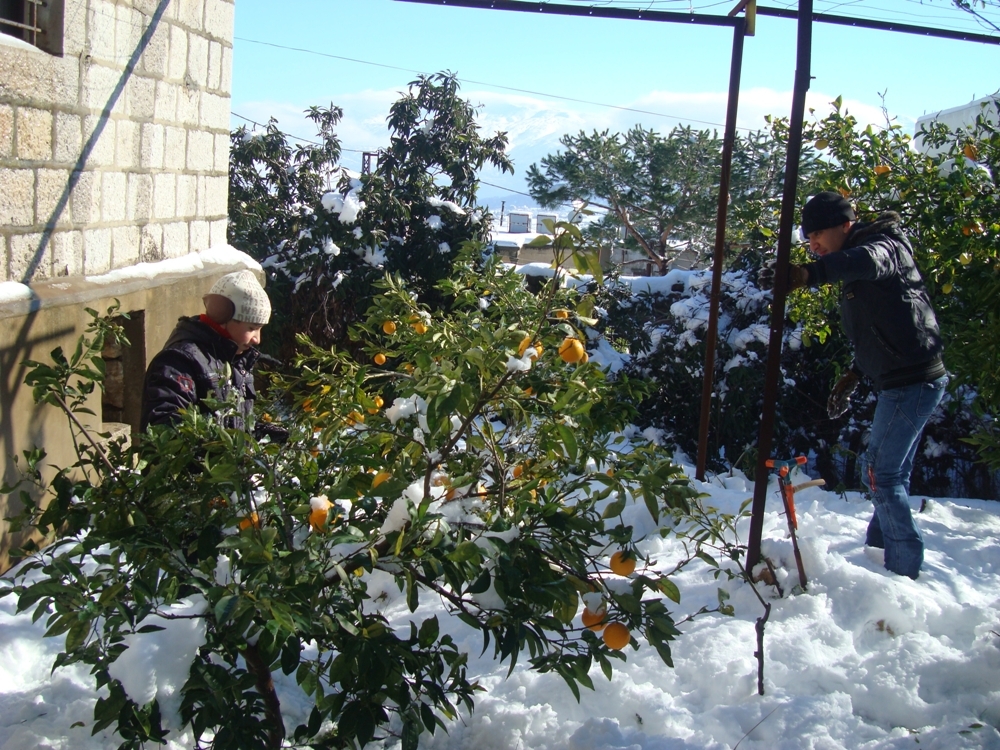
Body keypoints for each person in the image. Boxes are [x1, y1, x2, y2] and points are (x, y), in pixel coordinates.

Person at [759, 191, 947, 579]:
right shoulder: (856, 264)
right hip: (902, 379)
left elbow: (867, 261)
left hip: (912, 381)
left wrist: (807, 274)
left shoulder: (884, 248)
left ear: (845, 225)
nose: (813, 245)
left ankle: (903, 570)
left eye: (818, 235)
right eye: (808, 239)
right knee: (891, 474)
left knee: (880, 474)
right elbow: (882, 327)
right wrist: (854, 375)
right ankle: (879, 553)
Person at [141, 269, 275, 436]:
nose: (257, 339)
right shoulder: (178, 362)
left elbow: (231, 425)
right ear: (222, 316)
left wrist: (259, 432)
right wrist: (214, 445)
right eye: (252, 328)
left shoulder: (235, 360)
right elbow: (165, 430)